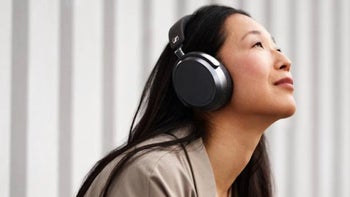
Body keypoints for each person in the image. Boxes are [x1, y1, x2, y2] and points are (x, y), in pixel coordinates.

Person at [77, 4, 295, 197]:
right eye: (257, 45)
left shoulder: (243, 187)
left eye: (277, 49)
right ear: (201, 73)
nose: (285, 61)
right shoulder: (153, 174)